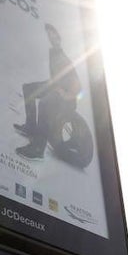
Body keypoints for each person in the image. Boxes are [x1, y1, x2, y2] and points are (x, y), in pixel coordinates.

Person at [14, 23, 82, 160]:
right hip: (56, 88)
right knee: (29, 88)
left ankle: (38, 148)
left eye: (54, 36)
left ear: (59, 39)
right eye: (49, 35)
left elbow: (77, 84)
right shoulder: (53, 53)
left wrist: (66, 94)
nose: (51, 38)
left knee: (45, 103)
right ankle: (31, 127)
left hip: (67, 99)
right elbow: (56, 78)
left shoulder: (63, 57)